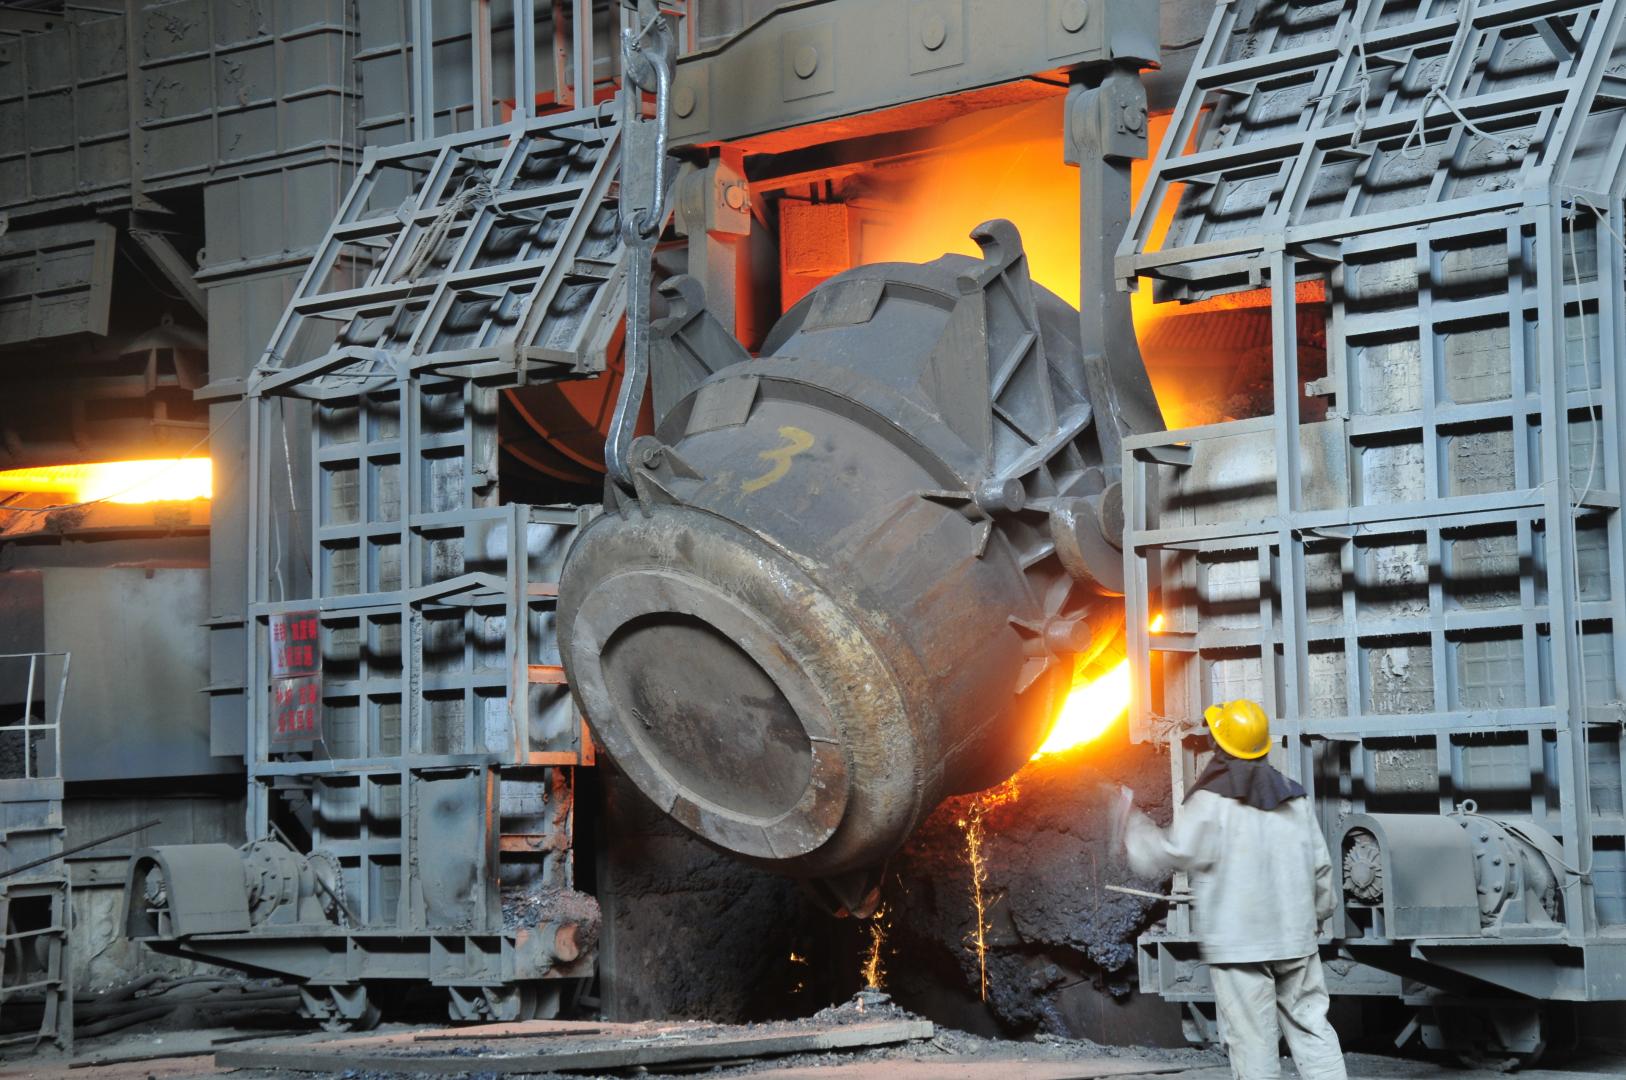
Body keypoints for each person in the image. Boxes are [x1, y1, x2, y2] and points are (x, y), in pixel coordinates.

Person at [1119, 699, 1346, 1080]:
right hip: (1295, 937)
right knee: (1313, 1028)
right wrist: (1318, 918)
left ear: (1220, 745)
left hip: (1241, 945)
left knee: (1253, 1039)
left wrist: (1133, 828)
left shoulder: (1210, 800)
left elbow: (1176, 850)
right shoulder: (1294, 796)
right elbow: (1320, 867)